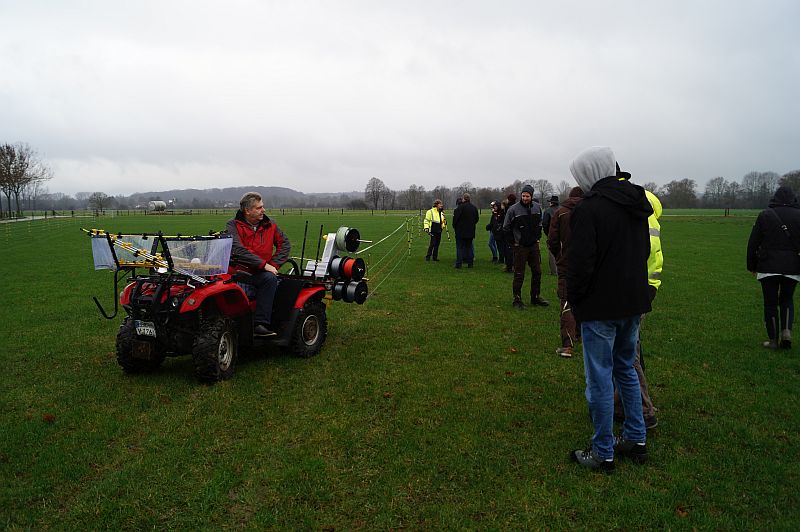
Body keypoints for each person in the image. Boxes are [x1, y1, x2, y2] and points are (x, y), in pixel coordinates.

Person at [566, 146, 652, 473]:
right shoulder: (636, 203)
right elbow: (642, 252)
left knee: (600, 378)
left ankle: (603, 451)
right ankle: (635, 437)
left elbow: (580, 265)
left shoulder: (589, 209)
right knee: (626, 369)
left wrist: (575, 302)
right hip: (633, 302)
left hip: (602, 307)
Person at [226, 192, 291, 337]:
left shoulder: (270, 224)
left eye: (263, 206)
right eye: (259, 208)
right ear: (247, 211)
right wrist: (264, 265)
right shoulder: (233, 225)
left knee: (269, 279)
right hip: (239, 272)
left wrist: (272, 264)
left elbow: (285, 244)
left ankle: (260, 324)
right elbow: (238, 249)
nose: (264, 210)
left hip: (261, 273)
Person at [747, 185, 800, 349]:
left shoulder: (765, 215)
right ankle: (786, 332)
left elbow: (753, 243)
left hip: (768, 265)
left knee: (770, 303)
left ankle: (773, 341)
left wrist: (751, 266)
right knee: (787, 300)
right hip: (793, 266)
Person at [547, 186, 584, 357]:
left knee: (566, 302)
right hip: (587, 264)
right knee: (585, 300)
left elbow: (552, 240)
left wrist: (558, 256)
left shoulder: (560, 212)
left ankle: (568, 345)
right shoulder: (590, 211)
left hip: (566, 264)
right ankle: (582, 335)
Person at [503, 184, 549, 309]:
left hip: (533, 245)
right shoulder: (513, 209)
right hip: (520, 246)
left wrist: (537, 237)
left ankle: (535, 297)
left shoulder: (537, 208)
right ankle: (517, 299)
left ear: (531, 196)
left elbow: (540, 223)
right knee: (519, 273)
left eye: (527, 196)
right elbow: (506, 227)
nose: (525, 198)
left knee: (537, 272)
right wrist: (513, 242)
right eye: (523, 196)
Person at [452, 193, 479, 268]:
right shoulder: (474, 208)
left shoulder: (460, 208)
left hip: (460, 231)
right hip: (470, 231)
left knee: (459, 247)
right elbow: (476, 219)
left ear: (464, 199)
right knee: (469, 247)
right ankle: (470, 263)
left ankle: (459, 263)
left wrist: (455, 227)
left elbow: (455, 220)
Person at [541, 195, 560, 276]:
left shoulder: (547, 211)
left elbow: (545, 224)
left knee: (552, 252)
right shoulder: (563, 209)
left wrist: (547, 233)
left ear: (551, 203)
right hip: (562, 234)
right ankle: (561, 269)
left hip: (551, 234)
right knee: (562, 252)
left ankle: (554, 271)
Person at [501, 196, 515, 272]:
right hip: (513, 232)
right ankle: (511, 266)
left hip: (509, 232)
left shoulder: (510, 209)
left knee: (509, 250)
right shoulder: (515, 207)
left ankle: (509, 267)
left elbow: (506, 222)